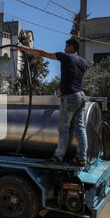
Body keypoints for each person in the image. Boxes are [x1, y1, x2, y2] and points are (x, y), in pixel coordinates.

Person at [19, 38, 88, 167]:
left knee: (64, 128)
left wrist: (25, 48)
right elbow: (80, 82)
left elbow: (43, 54)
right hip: (81, 96)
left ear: (72, 48)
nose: (64, 49)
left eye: (66, 46)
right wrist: (67, 90)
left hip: (70, 98)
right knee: (80, 128)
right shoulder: (83, 63)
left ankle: (57, 157)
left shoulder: (66, 57)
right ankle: (82, 158)